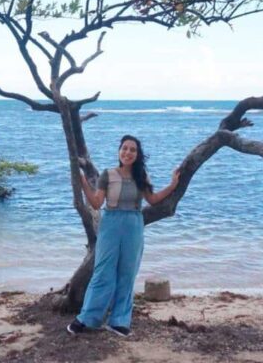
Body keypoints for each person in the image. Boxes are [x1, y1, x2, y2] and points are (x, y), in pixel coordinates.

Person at [67, 134, 180, 337]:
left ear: (137, 155)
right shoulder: (108, 175)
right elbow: (95, 203)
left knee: (127, 273)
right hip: (110, 222)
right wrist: (83, 181)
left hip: (134, 224)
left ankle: (119, 321)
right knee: (103, 272)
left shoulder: (141, 176)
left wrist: (172, 185)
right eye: (125, 148)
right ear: (119, 151)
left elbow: (152, 199)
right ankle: (87, 319)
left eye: (132, 150)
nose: (128, 152)